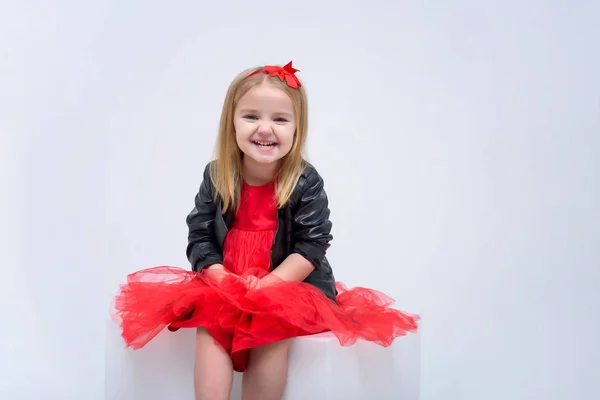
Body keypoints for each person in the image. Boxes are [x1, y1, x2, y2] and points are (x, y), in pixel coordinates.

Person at [113, 61, 419, 400]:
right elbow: (199, 236)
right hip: (227, 281)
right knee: (210, 323)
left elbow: (311, 246)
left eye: (280, 119)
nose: (265, 128)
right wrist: (220, 277)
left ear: (297, 129)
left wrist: (270, 284)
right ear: (231, 124)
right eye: (251, 116)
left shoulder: (305, 181)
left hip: (288, 283)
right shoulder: (217, 176)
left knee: (270, 323)